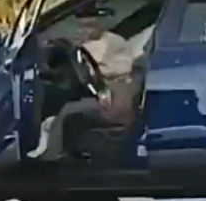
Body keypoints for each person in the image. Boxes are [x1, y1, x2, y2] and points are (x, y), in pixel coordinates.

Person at [28, 18, 155, 160]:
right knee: (63, 113)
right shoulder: (94, 44)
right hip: (111, 92)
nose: (85, 31)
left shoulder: (112, 43)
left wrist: (100, 80)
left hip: (118, 98)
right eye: (83, 27)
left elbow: (119, 68)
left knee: (68, 110)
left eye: (90, 27)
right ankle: (61, 147)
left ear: (101, 25)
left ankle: (50, 157)